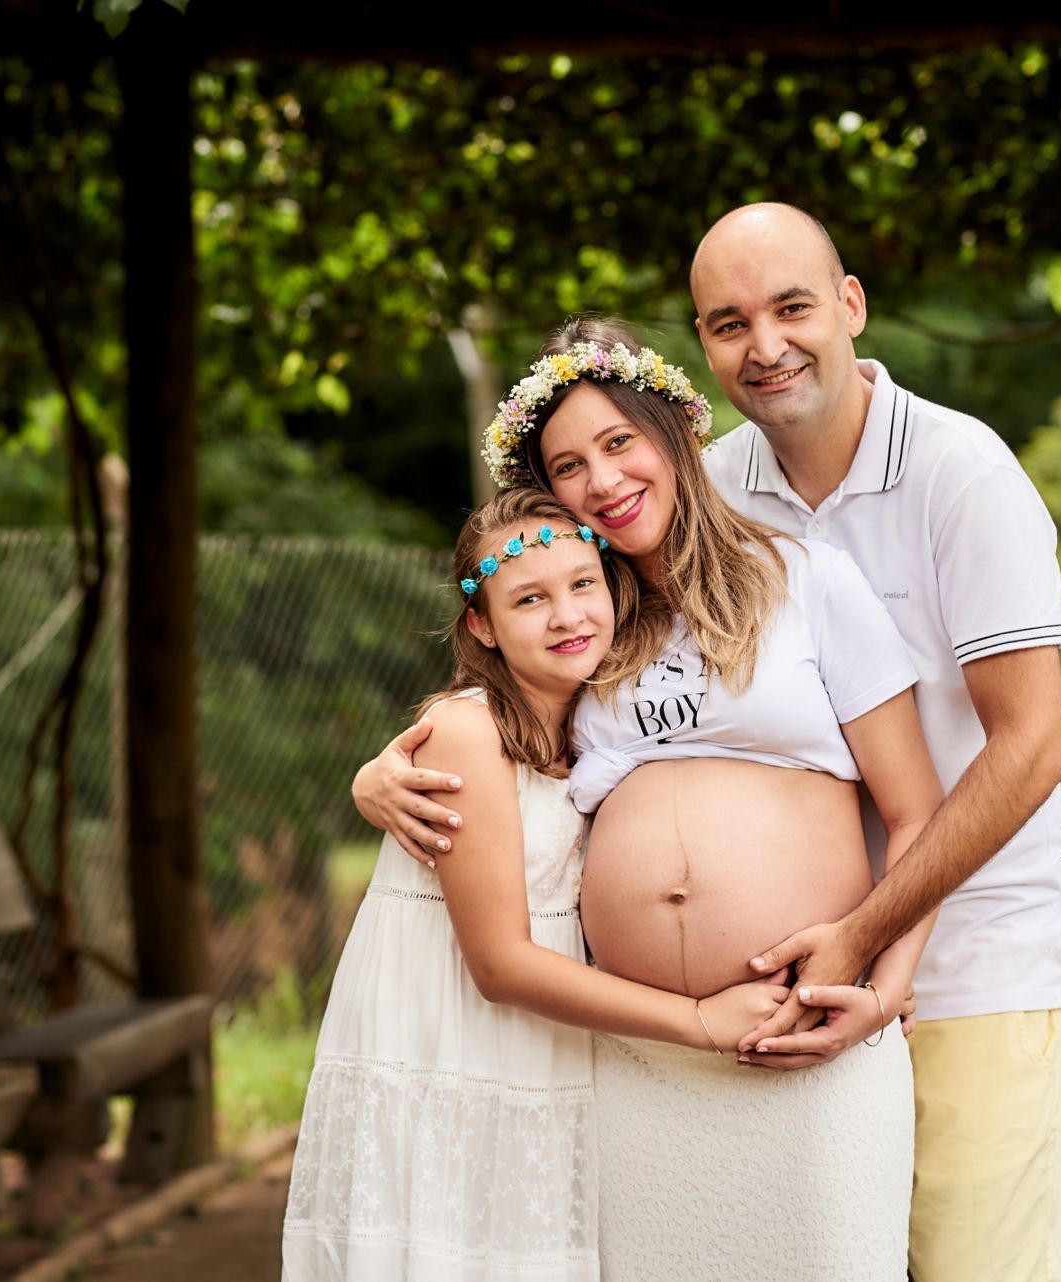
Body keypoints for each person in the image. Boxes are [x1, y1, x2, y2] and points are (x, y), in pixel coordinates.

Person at [359, 204, 1061, 1282]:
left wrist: (875, 958)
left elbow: (1025, 752)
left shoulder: (949, 477)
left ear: (851, 304)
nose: (603, 478)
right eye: (730, 321)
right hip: (657, 1047)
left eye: (791, 307)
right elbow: (506, 720)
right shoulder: (640, 554)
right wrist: (385, 769)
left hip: (948, 958)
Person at [283, 487, 791, 1282]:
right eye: (530, 599)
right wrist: (700, 1020)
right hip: (452, 1054)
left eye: (582, 585)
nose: (566, 617)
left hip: (537, 1058)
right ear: (481, 624)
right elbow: (499, 965)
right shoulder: (467, 730)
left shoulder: (600, 719)